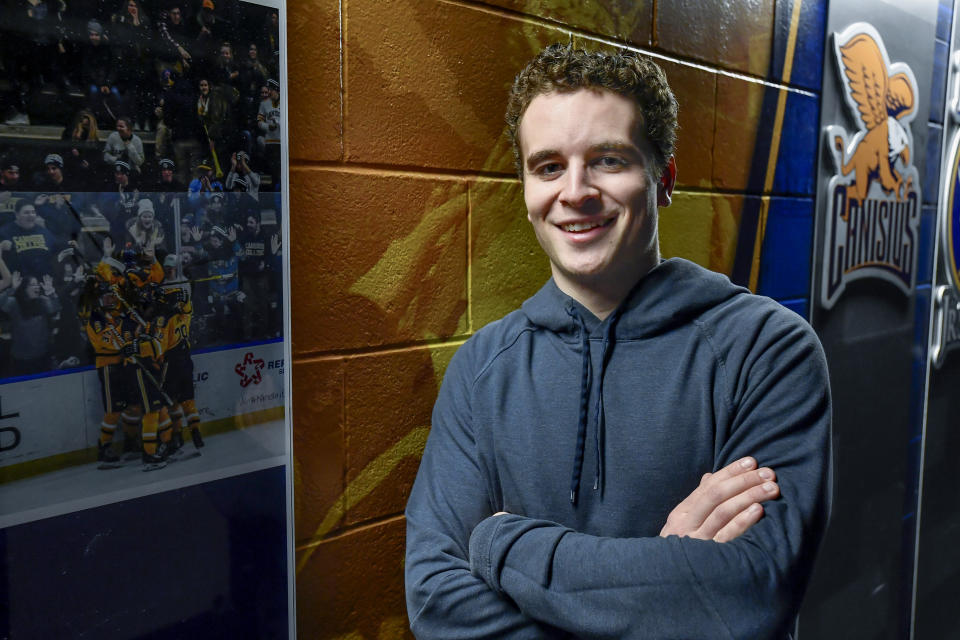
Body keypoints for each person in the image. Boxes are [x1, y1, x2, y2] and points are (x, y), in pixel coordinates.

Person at [404, 44, 832, 639]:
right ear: (527, 189)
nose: (575, 192)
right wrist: (665, 588)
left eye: (607, 160)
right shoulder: (483, 368)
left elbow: (746, 597)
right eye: (548, 166)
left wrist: (500, 543)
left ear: (664, 180)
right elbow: (435, 603)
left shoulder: (767, 351)